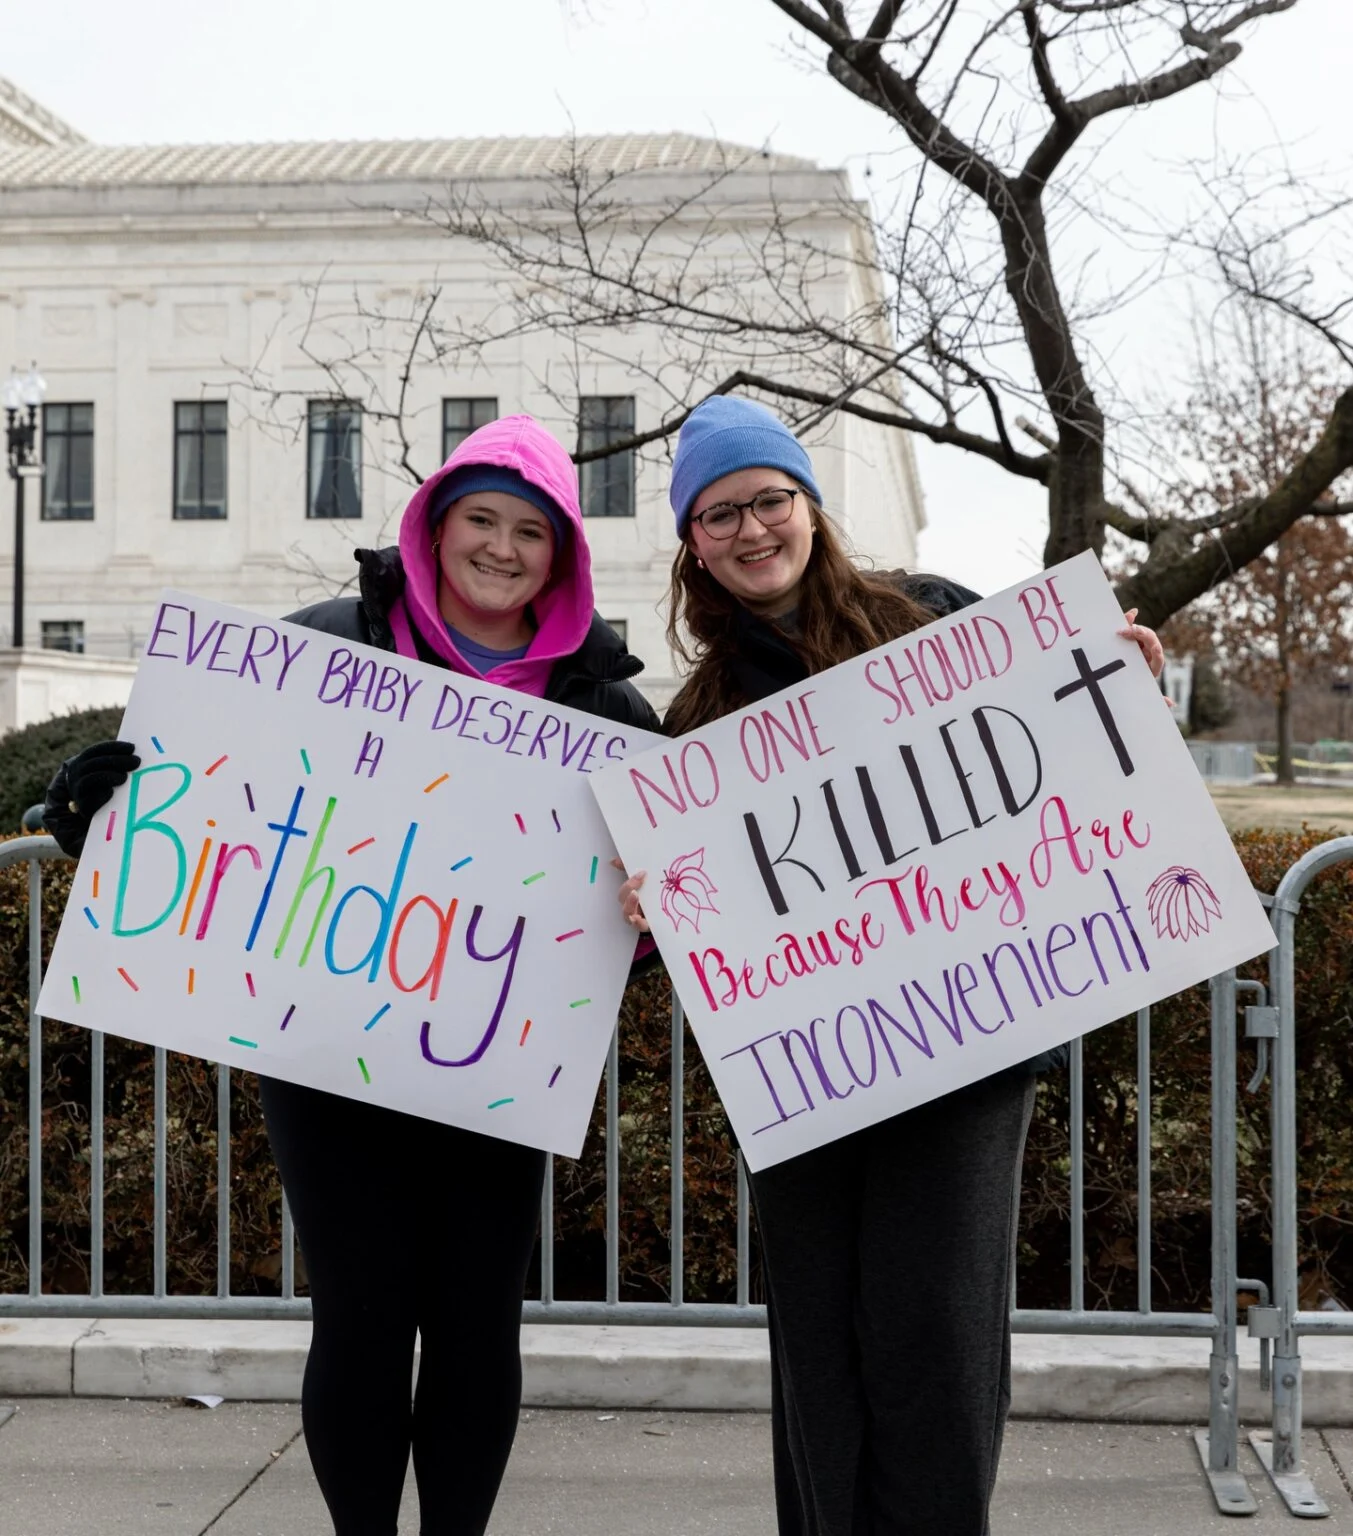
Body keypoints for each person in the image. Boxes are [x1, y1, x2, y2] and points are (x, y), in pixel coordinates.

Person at [44, 415, 660, 1536]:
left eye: (530, 532)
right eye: (481, 519)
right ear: (435, 526)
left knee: (478, 1322)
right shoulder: (321, 649)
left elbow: (645, 911)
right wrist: (94, 812)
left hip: (496, 1059)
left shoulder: (604, 708)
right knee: (363, 1317)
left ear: (561, 555)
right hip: (326, 1048)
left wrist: (653, 912)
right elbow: (205, 808)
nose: (502, 548)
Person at [617, 395, 1165, 1536]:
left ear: (810, 506)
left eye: (769, 499)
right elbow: (702, 917)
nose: (751, 528)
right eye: (719, 514)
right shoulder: (699, 720)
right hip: (803, 1067)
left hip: (966, 1048)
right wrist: (658, 907)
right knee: (820, 1346)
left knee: (937, 1334)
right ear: (693, 545)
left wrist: (1128, 692)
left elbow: (1068, 770)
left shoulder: (936, 621)